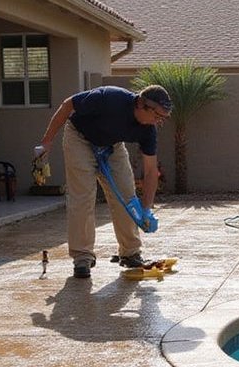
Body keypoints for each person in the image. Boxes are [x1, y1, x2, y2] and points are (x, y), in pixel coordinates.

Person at [36, 84, 172, 279]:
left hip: (112, 145)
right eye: (157, 115)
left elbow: (151, 170)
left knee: (127, 195)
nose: (158, 122)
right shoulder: (109, 98)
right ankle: (82, 257)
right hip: (79, 139)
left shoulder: (149, 130)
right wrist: (46, 142)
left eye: (163, 119)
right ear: (141, 104)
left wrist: (146, 208)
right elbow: (67, 105)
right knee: (82, 196)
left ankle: (130, 252)